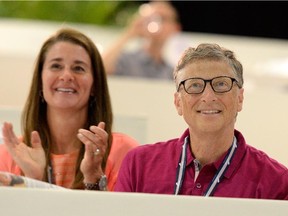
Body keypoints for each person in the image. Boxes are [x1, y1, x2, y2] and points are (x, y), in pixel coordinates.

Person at [114, 43, 288, 199]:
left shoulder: (277, 182)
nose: (208, 96)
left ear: (240, 98)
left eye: (221, 84)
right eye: (195, 85)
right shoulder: (138, 165)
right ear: (178, 102)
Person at [0, 28, 139, 191]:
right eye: (56, 66)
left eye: (78, 68)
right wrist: (33, 180)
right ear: (40, 80)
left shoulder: (125, 152)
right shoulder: (10, 155)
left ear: (95, 84)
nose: (66, 76)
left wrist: (94, 178)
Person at [102, 1, 181, 80]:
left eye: (163, 18)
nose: (157, 22)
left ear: (175, 28)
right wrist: (131, 32)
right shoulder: (127, 60)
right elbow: (100, 70)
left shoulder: (171, 72)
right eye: (152, 18)